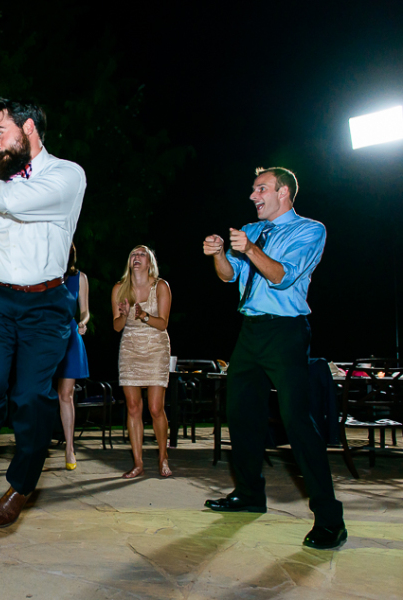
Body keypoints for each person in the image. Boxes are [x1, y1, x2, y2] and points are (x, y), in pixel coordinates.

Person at [0, 98, 86, 528]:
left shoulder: (67, 175)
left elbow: (18, 203)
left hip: (46, 303)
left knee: (32, 397)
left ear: (28, 127)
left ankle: (24, 483)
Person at [202, 166, 346, 550]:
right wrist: (218, 254)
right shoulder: (251, 230)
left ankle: (330, 518)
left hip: (286, 332)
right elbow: (228, 277)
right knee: (241, 415)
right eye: (252, 189)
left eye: (261, 188)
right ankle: (250, 494)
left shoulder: (310, 230)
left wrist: (249, 249)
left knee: (297, 421)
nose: (253, 196)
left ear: (283, 192)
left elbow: (282, 276)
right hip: (250, 332)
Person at [111, 245, 172, 479]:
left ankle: (163, 457)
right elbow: (116, 327)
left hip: (156, 346)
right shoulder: (119, 289)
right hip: (130, 348)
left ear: (150, 262)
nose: (137, 257)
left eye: (142, 254)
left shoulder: (161, 286)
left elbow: (163, 323)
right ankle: (138, 463)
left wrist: (142, 314)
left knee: (155, 407)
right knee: (134, 407)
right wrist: (126, 315)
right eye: (133, 254)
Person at [54, 243, 90, 471]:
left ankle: (69, 448)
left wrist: (84, 322)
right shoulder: (45, 275)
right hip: (45, 336)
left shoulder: (80, 278)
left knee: (65, 394)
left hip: (69, 336)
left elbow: (84, 310)